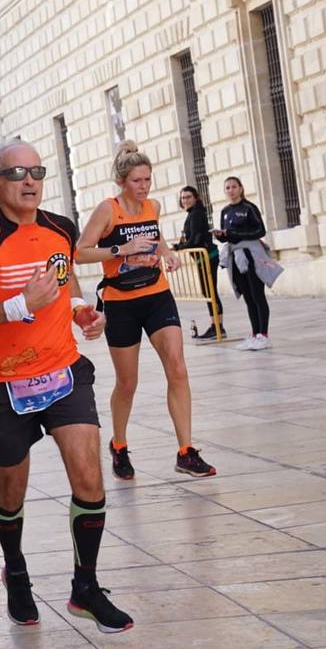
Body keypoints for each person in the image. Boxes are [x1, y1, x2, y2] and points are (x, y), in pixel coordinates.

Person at [0, 138, 133, 633]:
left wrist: (80, 312)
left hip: (63, 371)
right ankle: (18, 571)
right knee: (11, 491)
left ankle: (85, 587)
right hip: (4, 385)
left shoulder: (61, 228)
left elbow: (64, 280)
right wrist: (15, 306)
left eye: (36, 172)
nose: (29, 181)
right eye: (16, 173)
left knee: (89, 476)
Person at [76, 141, 214, 480]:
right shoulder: (108, 210)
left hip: (156, 295)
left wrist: (166, 252)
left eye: (148, 180)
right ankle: (119, 445)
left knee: (178, 369)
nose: (144, 186)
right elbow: (80, 252)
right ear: (123, 181)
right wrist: (121, 248)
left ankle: (186, 451)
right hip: (121, 303)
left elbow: (155, 235)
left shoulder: (152, 206)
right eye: (137, 180)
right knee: (127, 382)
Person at [214, 177, 273, 351]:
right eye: (227, 188)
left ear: (241, 188)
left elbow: (260, 230)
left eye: (234, 187)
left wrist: (236, 233)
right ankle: (255, 334)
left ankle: (264, 335)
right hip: (235, 256)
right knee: (247, 296)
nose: (230, 190)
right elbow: (228, 235)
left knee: (257, 295)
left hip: (251, 255)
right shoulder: (225, 211)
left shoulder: (249, 208)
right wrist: (221, 235)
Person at [173, 186, 226, 340]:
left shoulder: (196, 214)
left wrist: (180, 247)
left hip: (207, 257)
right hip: (203, 258)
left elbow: (195, 239)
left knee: (210, 292)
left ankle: (218, 327)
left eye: (189, 197)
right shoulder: (193, 214)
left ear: (196, 198)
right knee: (208, 291)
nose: (186, 200)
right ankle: (216, 325)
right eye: (183, 198)